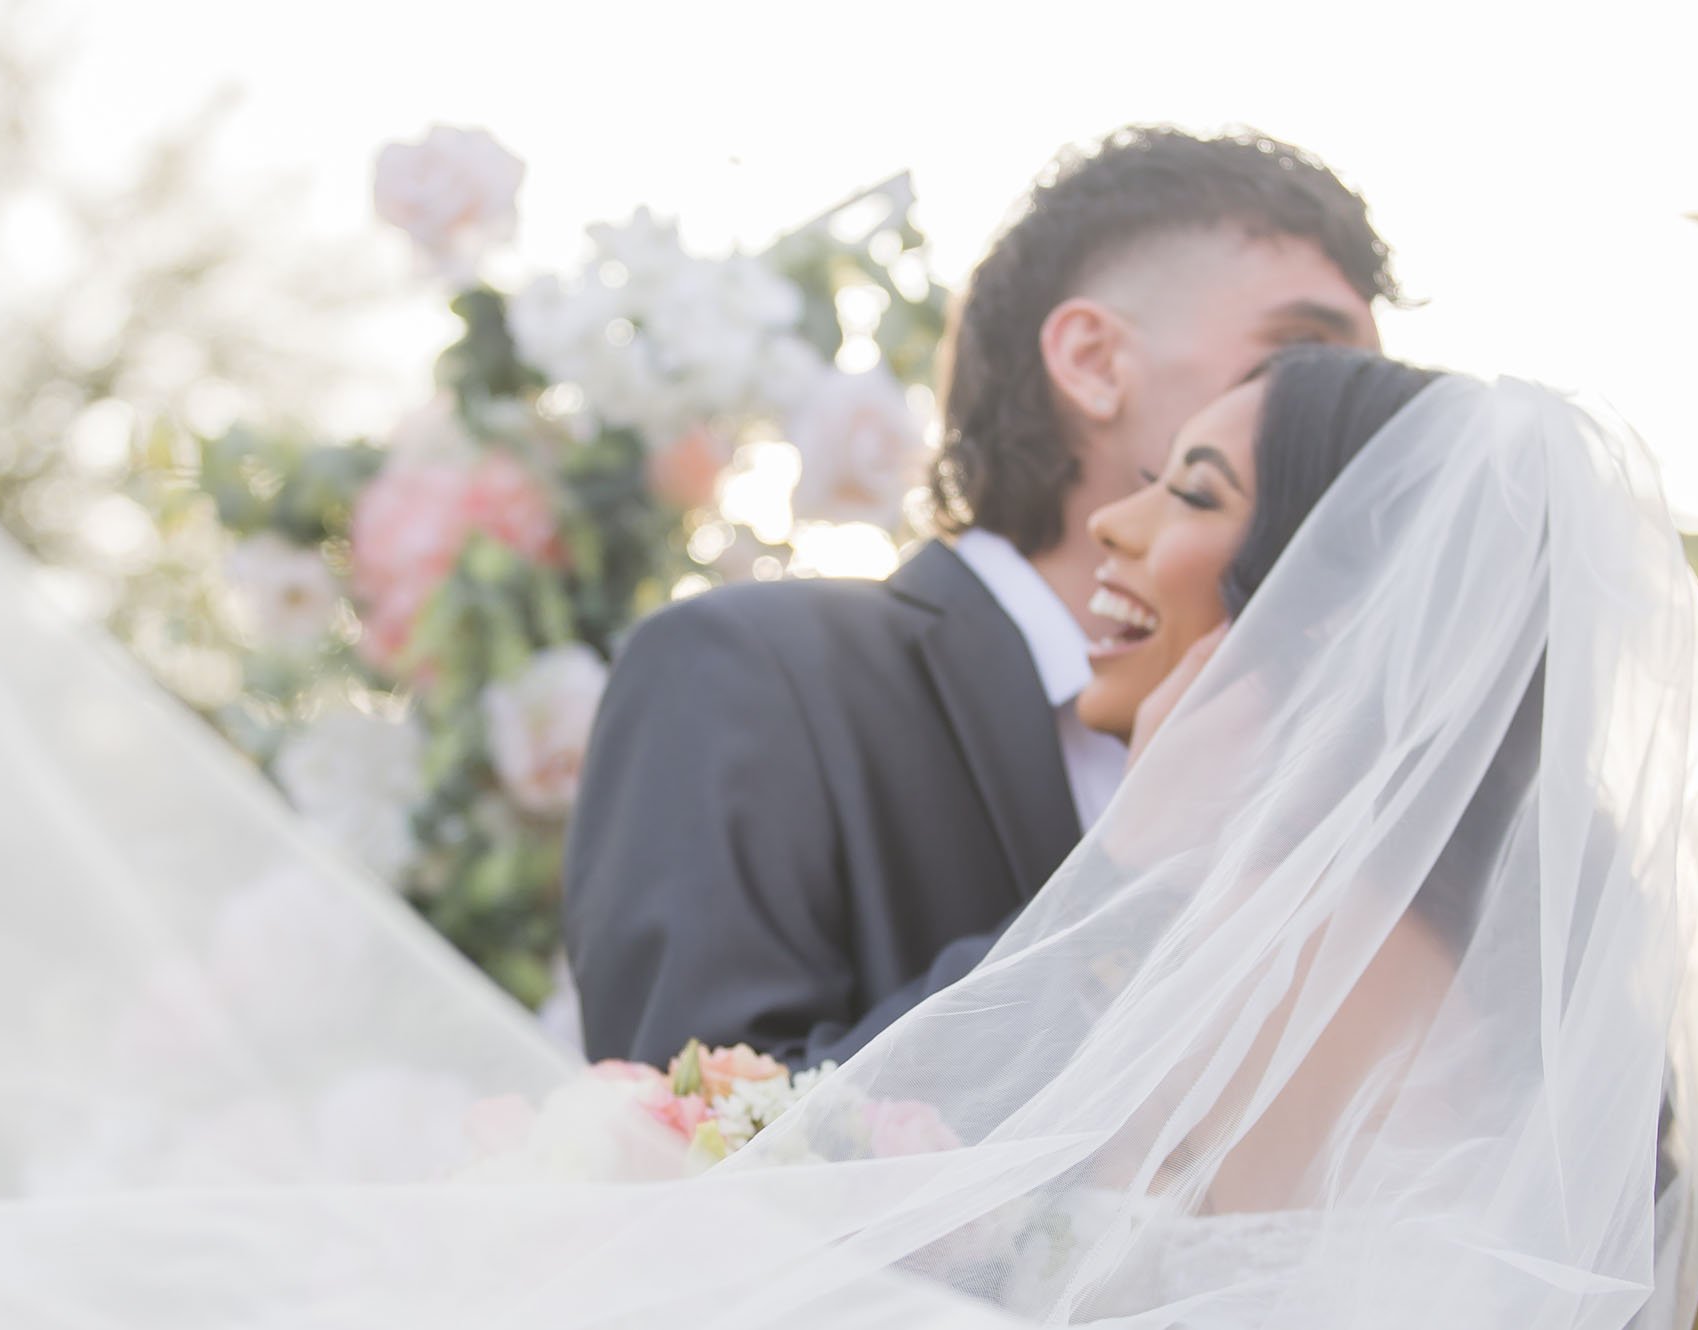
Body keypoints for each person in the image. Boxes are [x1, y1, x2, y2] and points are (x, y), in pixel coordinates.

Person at [0, 346, 1698, 1328]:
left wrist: (664, 1208)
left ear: (1315, 588)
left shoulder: (1268, 941)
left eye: (1190, 492)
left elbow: (1017, 1229)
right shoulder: (1491, 965)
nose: (1122, 533)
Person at [565, 125, 1392, 1068]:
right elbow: (688, 1153)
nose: (1341, 418)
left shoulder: (1356, 760)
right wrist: (1127, 879)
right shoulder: (746, 673)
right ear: (1091, 359)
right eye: (1300, 356)